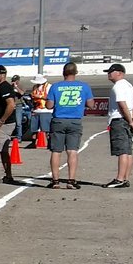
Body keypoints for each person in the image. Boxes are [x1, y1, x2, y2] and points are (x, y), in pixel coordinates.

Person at [44, 61, 92, 189]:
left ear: (63, 73)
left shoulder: (55, 87)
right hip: (75, 120)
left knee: (56, 151)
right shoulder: (84, 86)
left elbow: (49, 105)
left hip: (59, 120)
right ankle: (71, 180)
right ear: (76, 73)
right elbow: (91, 104)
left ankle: (55, 181)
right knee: (72, 151)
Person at [104, 63, 133, 188]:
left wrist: (130, 121)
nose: (108, 74)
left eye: (111, 71)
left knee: (122, 151)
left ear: (119, 73)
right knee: (128, 151)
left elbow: (122, 104)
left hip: (119, 120)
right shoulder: (129, 86)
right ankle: (126, 178)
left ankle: (120, 179)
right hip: (127, 119)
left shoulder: (118, 86)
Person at [28, 74, 52, 141]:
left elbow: (51, 97)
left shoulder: (49, 87)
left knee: (47, 129)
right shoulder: (35, 87)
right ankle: (33, 143)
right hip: (36, 110)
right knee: (34, 129)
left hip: (46, 110)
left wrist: (40, 97)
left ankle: (49, 143)